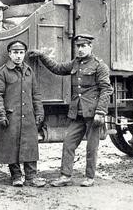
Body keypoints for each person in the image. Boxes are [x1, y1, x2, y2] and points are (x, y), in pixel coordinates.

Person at [28, 34, 113, 187]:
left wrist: (101, 112)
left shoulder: (99, 66)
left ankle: (90, 177)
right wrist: (42, 56)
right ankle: (65, 176)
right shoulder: (76, 64)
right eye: (78, 46)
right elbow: (57, 68)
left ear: (90, 47)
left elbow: (106, 90)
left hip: (93, 114)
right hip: (78, 114)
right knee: (68, 143)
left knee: (91, 147)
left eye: (83, 46)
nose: (80, 49)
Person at [0, 40, 46, 187]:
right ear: (9, 54)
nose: (18, 56)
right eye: (15, 53)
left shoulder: (29, 71)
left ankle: (31, 178)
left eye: (20, 53)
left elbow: (36, 94)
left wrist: (39, 112)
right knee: (11, 146)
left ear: (24, 54)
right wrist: (0, 114)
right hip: (11, 116)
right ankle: (16, 176)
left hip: (28, 116)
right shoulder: (2, 72)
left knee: (30, 146)